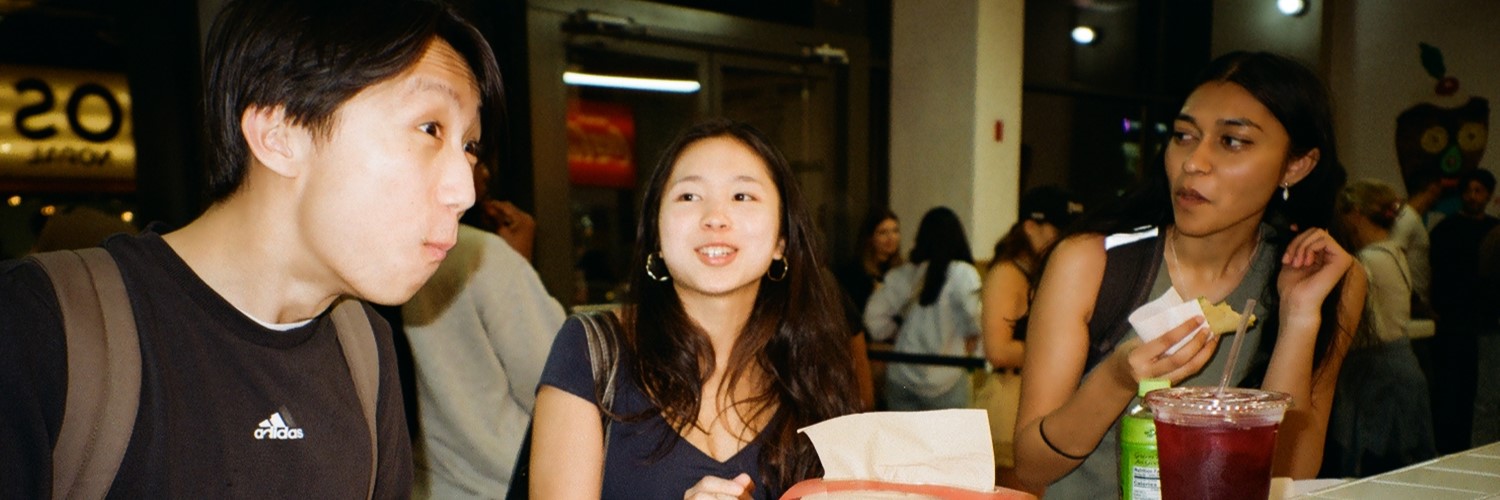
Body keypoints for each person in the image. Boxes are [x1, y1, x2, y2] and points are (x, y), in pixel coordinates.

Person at [0, 0, 504, 497]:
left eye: (469, 145)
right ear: (279, 133)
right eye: (430, 129)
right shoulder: (42, 325)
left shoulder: (365, 352)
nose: (464, 189)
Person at [1013, 51, 1365, 497]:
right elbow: (1030, 467)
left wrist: (1299, 319)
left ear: (1296, 165)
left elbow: (1289, 473)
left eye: (1232, 141)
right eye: (1183, 135)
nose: (1193, 162)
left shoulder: (1326, 280)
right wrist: (1116, 379)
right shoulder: (1091, 262)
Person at [528, 119, 859, 499]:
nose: (715, 217)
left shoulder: (812, 365)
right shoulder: (590, 352)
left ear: (781, 241)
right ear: (656, 232)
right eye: (689, 196)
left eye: (742, 196)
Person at [402, 162, 565, 498]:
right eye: (470, 148)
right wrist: (513, 264)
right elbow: (557, 388)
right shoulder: (483, 256)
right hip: (502, 486)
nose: (485, 171)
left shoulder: (372, 257)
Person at [1323, 179, 1436, 477]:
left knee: (1381, 469)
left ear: (1355, 214)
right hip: (1397, 365)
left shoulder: (1366, 261)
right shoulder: (1393, 251)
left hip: (1379, 375)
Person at [979, 186, 1080, 474]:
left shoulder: (1040, 270)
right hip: (1008, 398)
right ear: (1030, 226)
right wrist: (1061, 353)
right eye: (1056, 230)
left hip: (1033, 395)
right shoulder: (1007, 274)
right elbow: (998, 350)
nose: (1063, 240)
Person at [865, 206, 983, 411]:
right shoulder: (963, 274)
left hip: (901, 376)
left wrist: (896, 332)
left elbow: (873, 319)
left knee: (902, 442)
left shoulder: (904, 274)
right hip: (947, 379)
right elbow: (976, 320)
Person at [1427, 168, 1499, 454]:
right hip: (1454, 322)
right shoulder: (1446, 229)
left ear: (1489, 195)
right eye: (1468, 190)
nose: (1472, 196)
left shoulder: (1493, 230)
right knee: (1459, 391)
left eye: (1479, 190)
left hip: (1485, 321)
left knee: (1484, 394)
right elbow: (1435, 273)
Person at [835, 209, 903, 318]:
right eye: (883, 232)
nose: (891, 238)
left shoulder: (902, 270)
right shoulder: (853, 273)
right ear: (870, 238)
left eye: (895, 231)